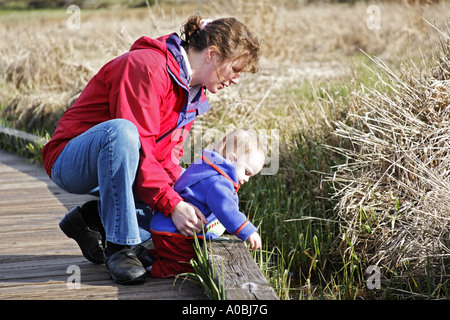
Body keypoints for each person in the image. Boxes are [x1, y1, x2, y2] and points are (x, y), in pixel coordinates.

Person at [41, 15, 261, 284]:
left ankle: (90, 220)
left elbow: (166, 158)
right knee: (122, 132)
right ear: (213, 54)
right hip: (71, 159)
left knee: (181, 193)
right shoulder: (146, 68)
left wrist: (186, 198)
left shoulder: (191, 92)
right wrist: (172, 205)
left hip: (121, 164)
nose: (236, 79)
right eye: (235, 70)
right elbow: (140, 146)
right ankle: (121, 247)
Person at [148, 129, 265, 278]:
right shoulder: (218, 182)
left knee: (173, 254)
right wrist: (247, 230)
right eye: (247, 172)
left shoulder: (206, 166)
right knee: (187, 264)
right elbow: (226, 209)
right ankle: (156, 270)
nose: (247, 180)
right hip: (173, 233)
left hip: (164, 226)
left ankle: (147, 256)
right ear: (231, 159)